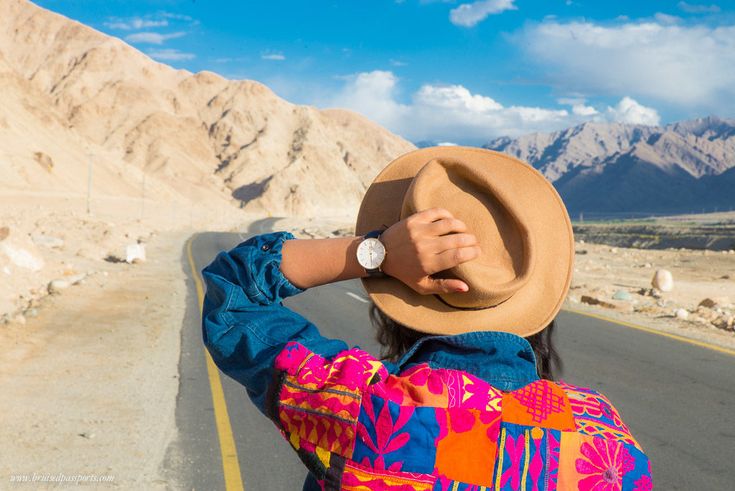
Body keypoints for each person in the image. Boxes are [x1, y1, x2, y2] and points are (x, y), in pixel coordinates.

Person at [201, 147, 653, 490]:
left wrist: (373, 252)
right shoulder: (607, 442)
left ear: (398, 303)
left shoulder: (367, 408)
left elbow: (234, 293)